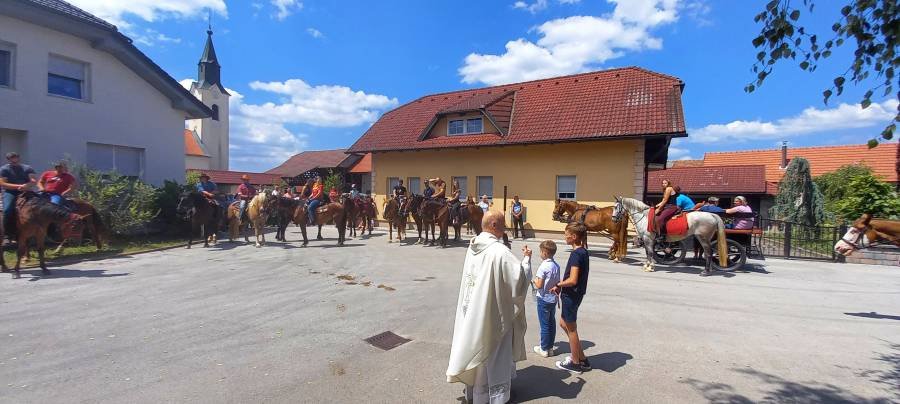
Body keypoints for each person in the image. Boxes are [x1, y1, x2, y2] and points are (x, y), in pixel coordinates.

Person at [447, 211, 531, 404]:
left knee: (478, 350)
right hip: (494, 313)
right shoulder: (500, 252)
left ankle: (478, 394)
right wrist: (526, 261)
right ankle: (496, 398)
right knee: (495, 355)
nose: (505, 227)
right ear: (493, 224)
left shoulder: (473, 245)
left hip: (475, 310)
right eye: (502, 223)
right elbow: (518, 280)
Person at [551, 222, 591, 374]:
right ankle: (582, 359)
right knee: (563, 323)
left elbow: (573, 280)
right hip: (576, 294)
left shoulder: (576, 254)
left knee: (571, 329)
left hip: (571, 295)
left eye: (566, 234)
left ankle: (575, 363)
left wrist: (558, 284)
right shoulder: (583, 252)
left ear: (574, 237)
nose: (564, 237)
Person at [532, 240, 560, 358]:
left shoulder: (543, 266)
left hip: (543, 298)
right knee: (551, 323)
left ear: (544, 252)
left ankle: (543, 348)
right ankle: (550, 348)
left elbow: (539, 285)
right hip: (553, 298)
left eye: (540, 251)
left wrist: (534, 280)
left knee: (544, 324)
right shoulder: (556, 266)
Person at [0, 152, 37, 237]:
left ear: (18, 158)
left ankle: (47, 231)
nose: (14, 159)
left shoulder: (27, 168)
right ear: (8, 159)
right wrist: (18, 186)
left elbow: (33, 181)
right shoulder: (4, 169)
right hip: (11, 192)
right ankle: (7, 233)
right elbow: (2, 183)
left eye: (15, 157)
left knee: (43, 206)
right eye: (11, 158)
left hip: (26, 191)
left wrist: (26, 185)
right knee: (7, 210)